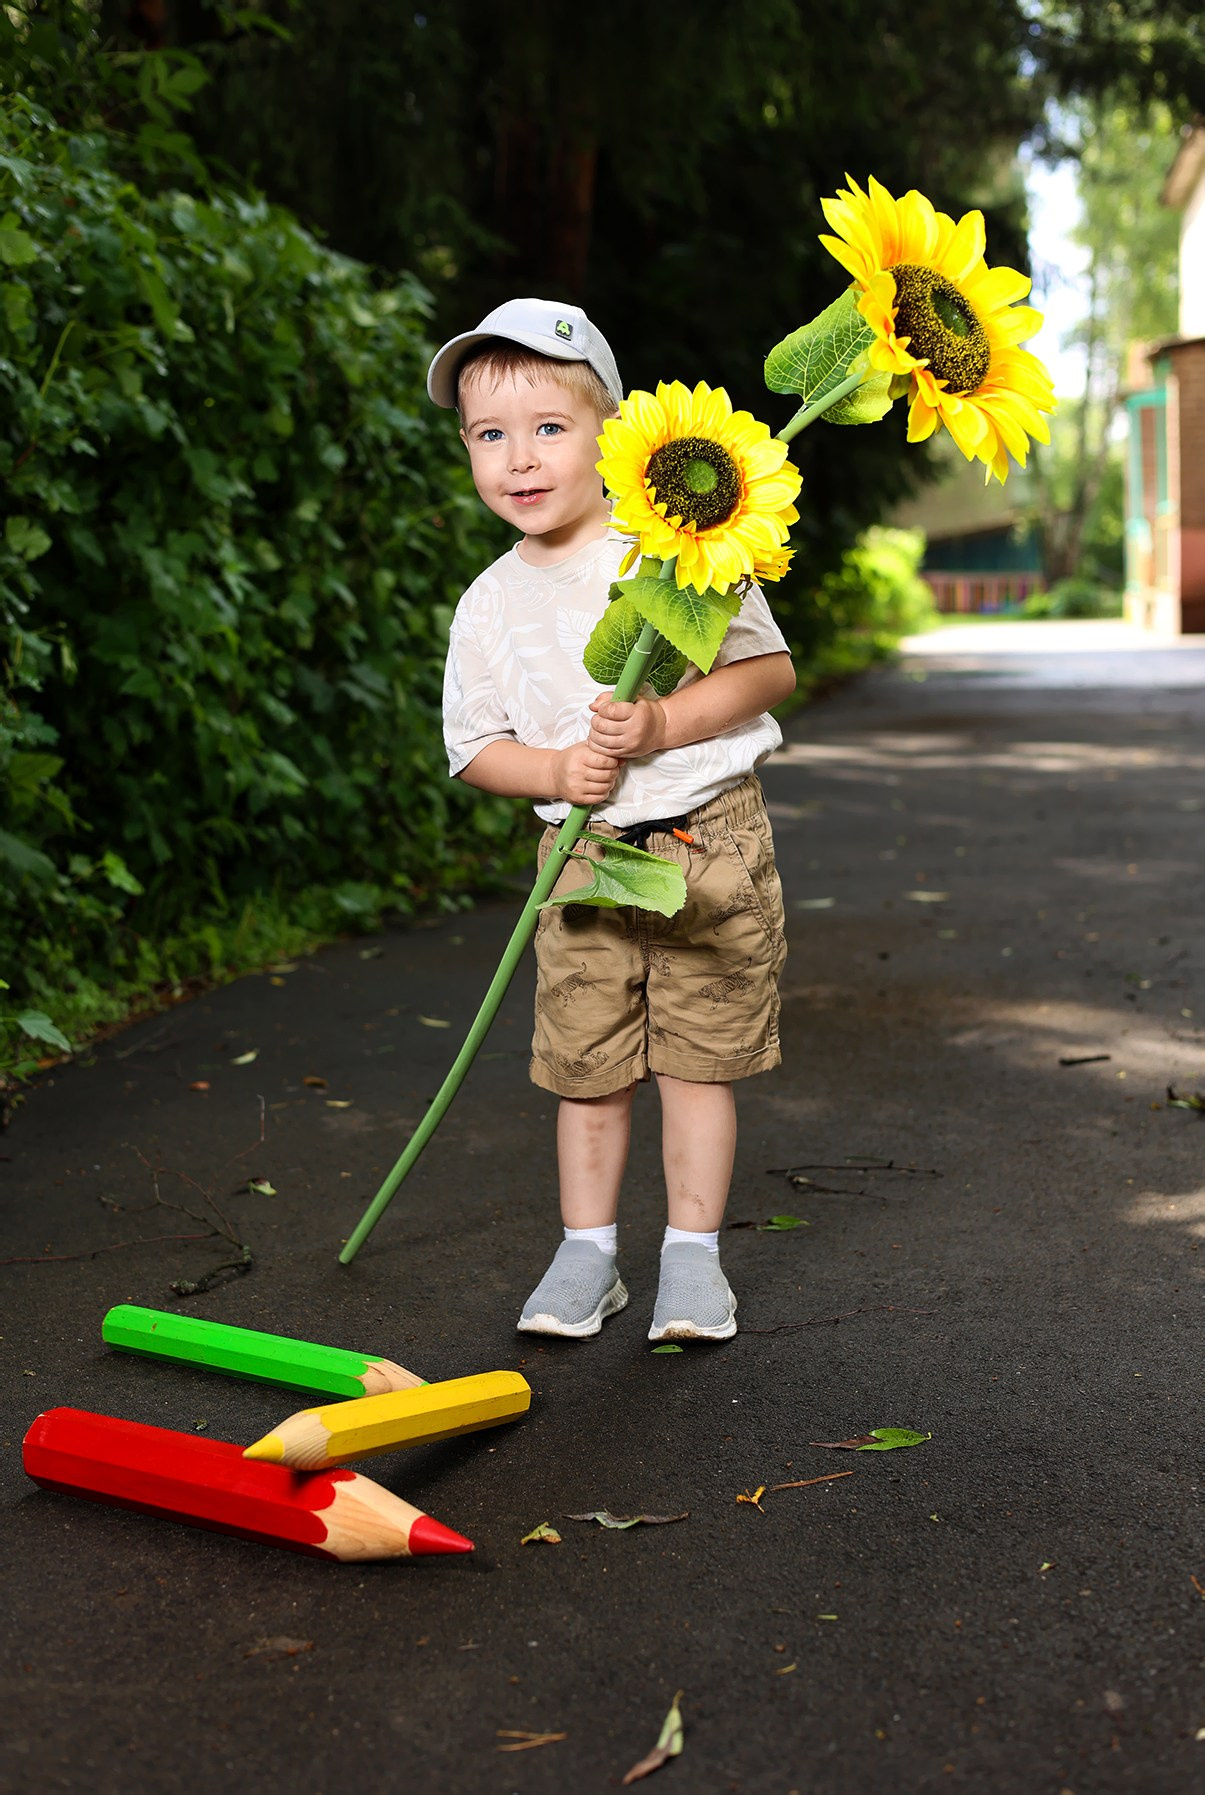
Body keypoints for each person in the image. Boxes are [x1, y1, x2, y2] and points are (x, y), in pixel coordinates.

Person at [428, 297, 794, 1342]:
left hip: (705, 835)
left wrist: (662, 722)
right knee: (585, 1070)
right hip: (581, 859)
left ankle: (690, 1256)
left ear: (611, 435)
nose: (518, 458)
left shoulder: (675, 550)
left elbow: (768, 668)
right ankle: (587, 1252)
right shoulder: (488, 604)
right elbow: (472, 745)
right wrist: (551, 765)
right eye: (488, 435)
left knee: (696, 1060)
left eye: (549, 427)